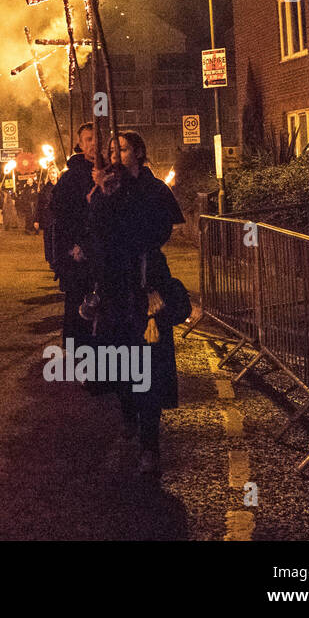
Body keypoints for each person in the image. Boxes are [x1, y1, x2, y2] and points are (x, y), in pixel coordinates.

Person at [85, 130, 185, 478]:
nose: (115, 155)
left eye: (123, 149)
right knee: (121, 363)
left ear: (139, 153)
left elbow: (152, 232)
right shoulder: (106, 189)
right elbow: (98, 233)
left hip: (145, 284)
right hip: (115, 287)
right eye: (111, 149)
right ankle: (128, 412)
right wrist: (103, 196)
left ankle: (149, 444)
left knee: (150, 368)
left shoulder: (153, 190)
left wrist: (119, 200)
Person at [51, 123, 97, 345]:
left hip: (100, 249)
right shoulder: (69, 178)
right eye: (88, 139)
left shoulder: (110, 171)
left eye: (96, 138)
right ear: (80, 143)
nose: (93, 144)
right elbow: (60, 215)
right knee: (77, 301)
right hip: (76, 251)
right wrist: (71, 247)